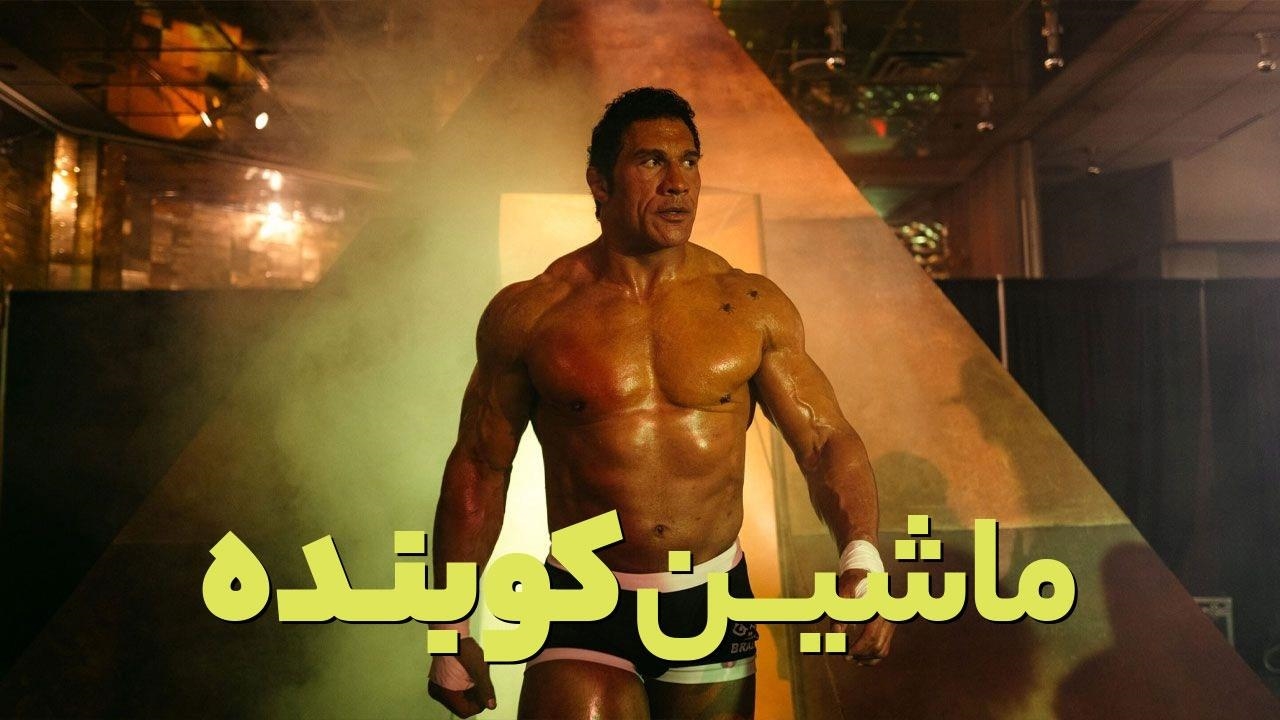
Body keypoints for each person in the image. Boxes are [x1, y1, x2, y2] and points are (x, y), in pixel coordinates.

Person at [426, 87, 893, 720]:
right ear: (599, 182)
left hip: (711, 600)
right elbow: (480, 466)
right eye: (651, 161)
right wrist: (449, 625)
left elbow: (825, 440)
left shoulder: (750, 305)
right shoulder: (534, 313)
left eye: (690, 161)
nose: (678, 182)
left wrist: (861, 556)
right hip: (583, 597)